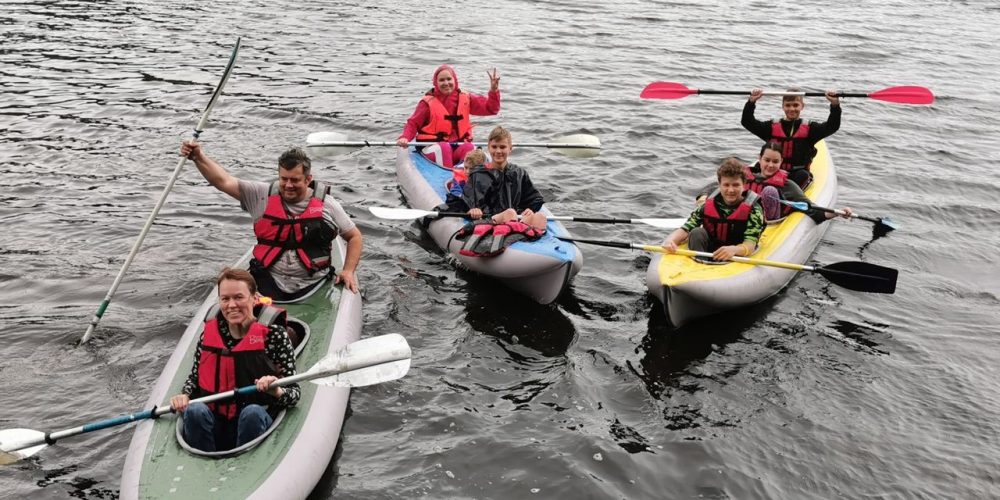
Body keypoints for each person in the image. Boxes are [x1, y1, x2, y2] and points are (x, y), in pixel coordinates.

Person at [180, 141, 362, 301]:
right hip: (266, 280)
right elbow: (223, 181)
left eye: (295, 180)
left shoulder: (328, 204)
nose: (288, 185)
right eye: (284, 179)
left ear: (308, 179)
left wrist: (348, 271)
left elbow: (354, 237)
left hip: (312, 282)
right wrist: (198, 157)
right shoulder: (260, 195)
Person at [169, 268, 299, 452]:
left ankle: (244, 460)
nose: (231, 305)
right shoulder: (208, 335)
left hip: (255, 421)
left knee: (252, 413)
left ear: (254, 298)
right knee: (195, 411)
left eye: (239, 297)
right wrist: (185, 395)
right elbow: (195, 378)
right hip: (216, 420)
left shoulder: (275, 336)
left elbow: (294, 394)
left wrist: (276, 390)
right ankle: (204, 458)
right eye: (225, 299)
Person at [443, 126, 547, 257]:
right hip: (490, 219)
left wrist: (530, 209)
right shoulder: (478, 175)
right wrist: (473, 210)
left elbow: (534, 198)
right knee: (510, 213)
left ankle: (519, 233)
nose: (498, 151)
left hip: (515, 218)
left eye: (502, 147)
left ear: (510, 148)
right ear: (488, 148)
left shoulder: (519, 173)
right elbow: (468, 202)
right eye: (494, 147)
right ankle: (507, 235)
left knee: (540, 217)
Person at [696, 143, 854, 223]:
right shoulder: (744, 176)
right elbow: (719, 186)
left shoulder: (787, 185)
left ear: (781, 162)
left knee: (769, 191)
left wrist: (837, 213)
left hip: (769, 223)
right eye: (767, 160)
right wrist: (704, 196)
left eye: (775, 162)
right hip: (741, 220)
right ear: (759, 159)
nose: (770, 165)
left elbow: (811, 209)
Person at [396, 65, 501, 168]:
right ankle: (448, 174)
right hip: (432, 147)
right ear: (436, 83)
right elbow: (413, 123)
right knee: (444, 148)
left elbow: (491, 109)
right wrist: (405, 137)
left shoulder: (466, 98)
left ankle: (465, 173)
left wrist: (494, 91)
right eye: (442, 80)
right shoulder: (426, 103)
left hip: (457, 146)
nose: (446, 83)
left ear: (455, 80)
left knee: (469, 147)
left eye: (449, 79)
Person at [663, 158, 765, 262]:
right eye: (726, 185)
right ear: (719, 185)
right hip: (711, 250)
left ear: (744, 184)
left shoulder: (754, 210)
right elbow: (686, 228)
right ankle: (700, 263)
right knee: (696, 232)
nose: (731, 190)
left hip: (736, 254)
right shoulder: (707, 205)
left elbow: (750, 244)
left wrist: (734, 250)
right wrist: (670, 241)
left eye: (736, 185)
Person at [741, 87, 841, 188]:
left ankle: (782, 192)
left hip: (795, 175)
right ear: (783, 107)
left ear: (802, 106)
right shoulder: (771, 127)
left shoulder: (811, 129)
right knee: (756, 168)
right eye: (788, 105)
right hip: (773, 170)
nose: (792, 109)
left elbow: (832, 126)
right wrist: (751, 102)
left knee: (803, 175)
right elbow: (747, 122)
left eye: (795, 105)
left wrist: (835, 105)